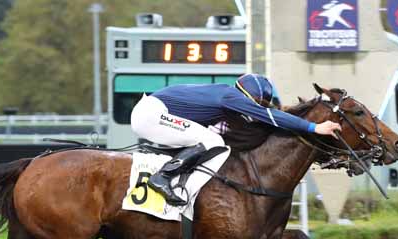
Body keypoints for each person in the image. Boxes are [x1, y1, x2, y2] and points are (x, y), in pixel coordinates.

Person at [130, 73, 342, 206]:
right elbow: (271, 117)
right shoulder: (233, 97)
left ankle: (174, 177)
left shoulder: (225, 96)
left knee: (212, 140)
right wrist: (314, 127)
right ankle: (163, 177)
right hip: (150, 114)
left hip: (152, 111)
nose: (257, 107)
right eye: (258, 103)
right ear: (250, 96)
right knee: (211, 141)